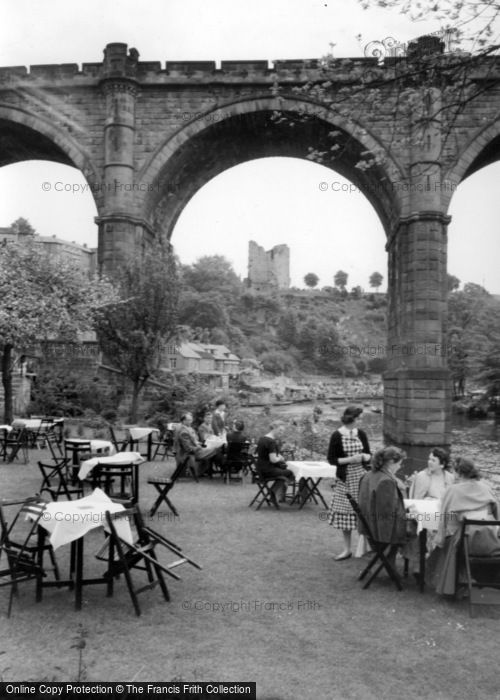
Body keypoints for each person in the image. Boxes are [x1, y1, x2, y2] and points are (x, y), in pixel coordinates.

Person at [430, 457, 500, 596]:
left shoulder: (453, 491)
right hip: (491, 542)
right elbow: (497, 513)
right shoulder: (486, 488)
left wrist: (439, 539)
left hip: (464, 543)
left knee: (448, 540)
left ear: (457, 473)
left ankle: (452, 583)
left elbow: (444, 518)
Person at [327, 406, 371, 560]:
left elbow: (369, 455)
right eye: (360, 417)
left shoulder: (361, 434)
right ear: (352, 418)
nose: (361, 420)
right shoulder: (337, 435)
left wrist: (364, 458)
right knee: (345, 512)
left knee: (364, 512)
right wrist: (350, 460)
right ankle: (347, 549)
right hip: (345, 479)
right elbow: (332, 460)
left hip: (362, 477)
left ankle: (365, 547)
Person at [357, 446, 408, 567]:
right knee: (416, 531)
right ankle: (393, 567)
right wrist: (407, 512)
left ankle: (388, 565)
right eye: (399, 464)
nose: (399, 467)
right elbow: (388, 513)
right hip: (380, 531)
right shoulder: (387, 481)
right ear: (391, 462)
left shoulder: (368, 475)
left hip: (367, 526)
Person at [255, 421, 294, 504]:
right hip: (268, 470)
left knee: (284, 473)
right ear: (274, 428)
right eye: (280, 430)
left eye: (282, 431)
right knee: (290, 472)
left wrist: (278, 456)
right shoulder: (271, 442)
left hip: (260, 469)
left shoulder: (262, 439)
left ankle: (276, 494)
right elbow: (273, 459)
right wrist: (280, 458)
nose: (281, 432)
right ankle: (275, 493)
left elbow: (266, 454)